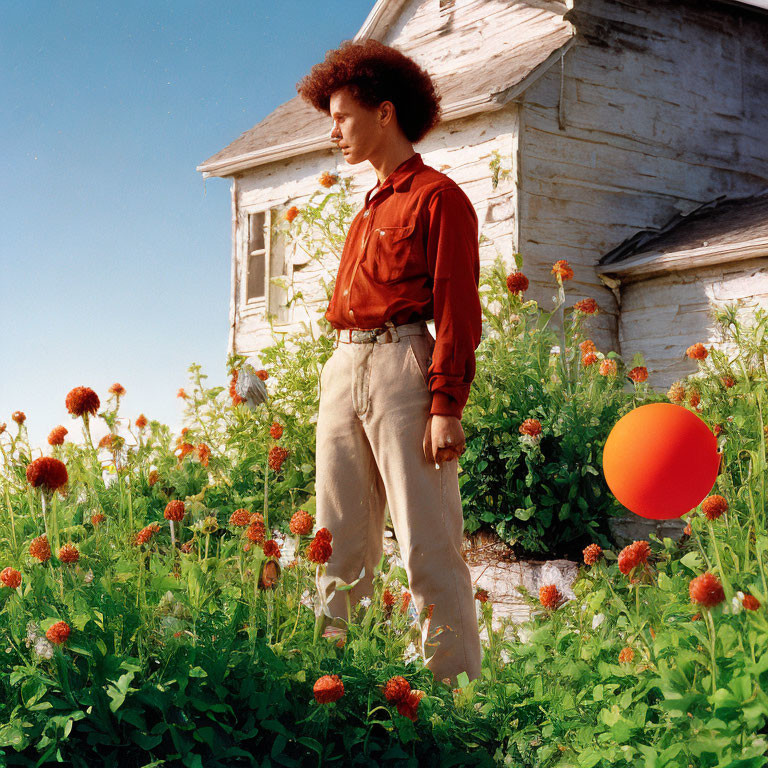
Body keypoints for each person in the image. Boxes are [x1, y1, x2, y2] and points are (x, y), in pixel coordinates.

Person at [296, 39, 483, 688]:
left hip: (404, 365)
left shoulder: (438, 197)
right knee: (337, 545)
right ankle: (332, 689)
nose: (335, 132)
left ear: (384, 112)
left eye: (343, 117)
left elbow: (458, 305)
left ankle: (454, 698)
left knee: (429, 545)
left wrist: (445, 403)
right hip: (343, 368)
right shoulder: (367, 209)